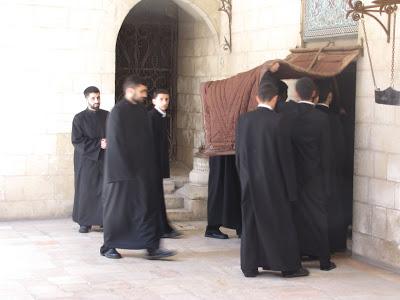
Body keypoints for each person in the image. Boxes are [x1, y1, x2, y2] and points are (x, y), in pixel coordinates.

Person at [236, 77, 308, 278]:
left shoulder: (243, 120)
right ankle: (288, 267)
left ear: (257, 97)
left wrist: (243, 178)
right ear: (276, 98)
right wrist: (291, 190)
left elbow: (239, 154)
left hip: (249, 182)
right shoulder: (279, 122)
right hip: (273, 184)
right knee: (281, 225)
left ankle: (249, 267)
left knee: (250, 224)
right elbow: (286, 159)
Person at [100, 75, 176, 260]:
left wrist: (151, 168)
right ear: (130, 91)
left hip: (143, 172)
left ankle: (152, 248)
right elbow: (116, 143)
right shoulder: (117, 112)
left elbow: (147, 141)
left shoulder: (142, 111)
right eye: (141, 91)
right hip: (122, 174)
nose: (144, 95)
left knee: (146, 210)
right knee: (119, 212)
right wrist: (126, 172)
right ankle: (110, 245)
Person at [290, 77, 336, 271]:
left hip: (293, 177)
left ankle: (297, 257)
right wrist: (328, 181)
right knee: (319, 217)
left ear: (297, 94)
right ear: (315, 94)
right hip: (315, 177)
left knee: (296, 218)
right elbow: (327, 154)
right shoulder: (322, 119)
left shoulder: (289, 116)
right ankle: (324, 261)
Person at [315, 80, 347, 252]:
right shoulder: (333, 120)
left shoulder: (307, 116)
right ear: (330, 96)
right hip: (332, 174)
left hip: (311, 176)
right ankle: (334, 245)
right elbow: (340, 151)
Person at [71, 86, 108, 233]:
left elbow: (114, 133)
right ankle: (84, 222)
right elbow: (77, 140)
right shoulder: (79, 118)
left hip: (104, 160)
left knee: (103, 190)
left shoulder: (107, 115)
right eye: (93, 98)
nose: (96, 101)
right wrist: (98, 144)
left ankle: (103, 220)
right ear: (86, 98)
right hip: (85, 161)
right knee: (86, 190)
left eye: (98, 97)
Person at [148, 89, 182, 239]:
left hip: (157, 164)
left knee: (158, 196)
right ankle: (160, 228)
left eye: (167, 99)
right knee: (154, 197)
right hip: (151, 165)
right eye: (161, 99)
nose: (165, 102)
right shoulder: (151, 117)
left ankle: (163, 227)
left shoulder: (161, 116)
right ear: (153, 101)